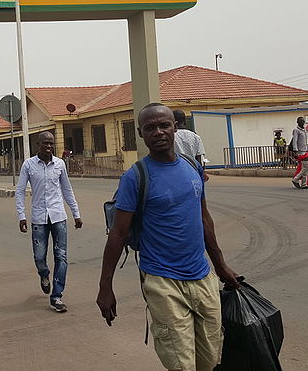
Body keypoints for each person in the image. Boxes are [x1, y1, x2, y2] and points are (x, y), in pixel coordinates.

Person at [97, 103, 239, 371]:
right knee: (181, 365)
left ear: (175, 127)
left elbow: (204, 218)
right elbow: (118, 233)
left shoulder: (191, 167)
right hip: (162, 281)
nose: (159, 132)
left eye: (164, 125)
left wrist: (220, 266)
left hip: (202, 278)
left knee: (210, 360)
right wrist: (105, 286)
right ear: (141, 134)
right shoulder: (135, 177)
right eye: (150, 128)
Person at [15, 131, 82, 313]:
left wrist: (76, 213)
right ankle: (44, 274)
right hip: (38, 218)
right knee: (39, 257)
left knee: (61, 257)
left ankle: (57, 296)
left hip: (58, 216)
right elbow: (20, 191)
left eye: (51, 143)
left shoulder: (59, 164)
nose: (49, 147)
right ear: (38, 144)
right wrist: (22, 215)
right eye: (45, 143)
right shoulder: (29, 165)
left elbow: (67, 190)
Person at [291, 116, 308, 189]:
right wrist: (295, 151)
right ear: (298, 122)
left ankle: (304, 184)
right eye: (301, 121)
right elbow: (295, 141)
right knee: (307, 167)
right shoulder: (296, 130)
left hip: (305, 151)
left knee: (305, 168)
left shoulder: (303, 130)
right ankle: (295, 179)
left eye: (303, 121)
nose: (302, 122)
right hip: (300, 152)